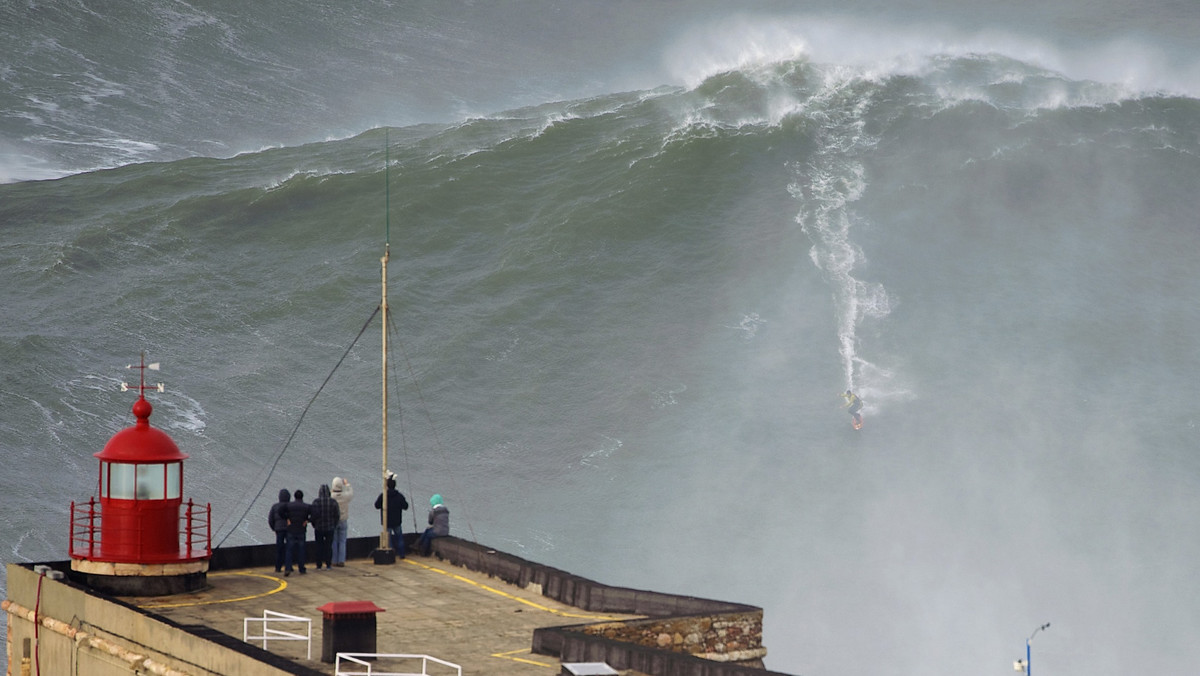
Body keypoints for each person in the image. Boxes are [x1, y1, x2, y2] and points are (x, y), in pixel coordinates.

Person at [374, 472, 408, 557]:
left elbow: (376, 505)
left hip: (387, 521)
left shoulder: (383, 496)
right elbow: (406, 506)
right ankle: (402, 554)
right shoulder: (399, 496)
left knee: (389, 539)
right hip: (397, 521)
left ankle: (391, 554)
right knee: (399, 537)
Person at [309, 484, 340, 570]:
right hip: (330, 528)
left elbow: (313, 516)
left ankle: (319, 565)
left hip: (319, 528)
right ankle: (328, 565)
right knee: (328, 547)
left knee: (319, 547)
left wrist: (314, 525)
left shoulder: (316, 502)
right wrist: (334, 525)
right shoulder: (333, 502)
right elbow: (337, 515)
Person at [284, 489, 311, 576]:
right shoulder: (306, 506)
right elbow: (316, 513)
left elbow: (280, 511)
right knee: (301, 550)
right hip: (301, 530)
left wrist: (287, 519)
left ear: (294, 497)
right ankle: (301, 568)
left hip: (291, 529)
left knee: (289, 550)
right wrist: (307, 520)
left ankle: (288, 568)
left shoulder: (289, 505)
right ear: (302, 497)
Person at [330, 476, 353, 567]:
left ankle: (334, 560)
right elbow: (351, 493)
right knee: (342, 541)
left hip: (334, 521)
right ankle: (341, 560)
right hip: (343, 520)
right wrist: (347, 484)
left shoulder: (331, 497)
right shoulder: (345, 496)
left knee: (334, 540)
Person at [267, 488, 291, 573]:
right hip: (289, 529)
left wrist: (274, 528)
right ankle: (289, 566)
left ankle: (278, 567)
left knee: (279, 548)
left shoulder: (275, 506)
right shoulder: (290, 506)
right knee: (289, 548)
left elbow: (270, 520)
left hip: (279, 529)